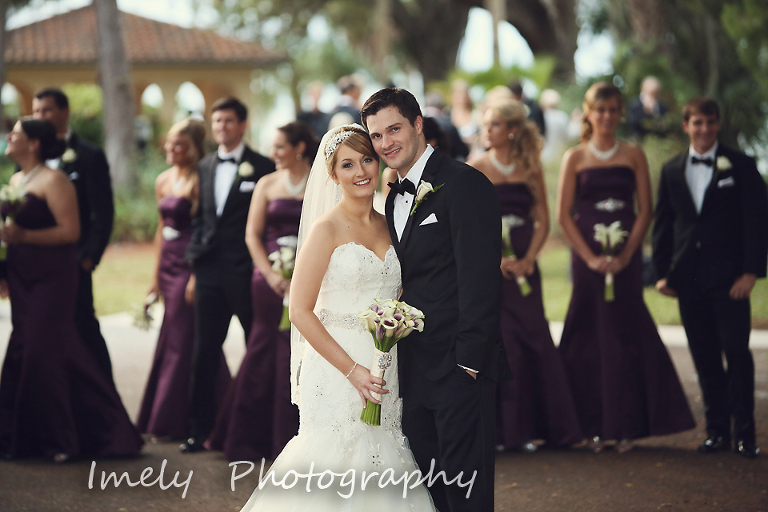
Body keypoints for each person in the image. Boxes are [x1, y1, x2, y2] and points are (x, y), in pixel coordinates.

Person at [239, 124, 435, 511]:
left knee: (382, 452)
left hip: (385, 361)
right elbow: (299, 310)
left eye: (367, 159)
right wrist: (352, 371)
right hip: (336, 366)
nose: (360, 171)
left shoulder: (392, 224)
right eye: (348, 164)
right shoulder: (325, 228)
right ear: (333, 174)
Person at [363, 88, 502, 512]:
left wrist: (469, 362)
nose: (386, 143)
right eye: (376, 135)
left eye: (394, 129)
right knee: (430, 490)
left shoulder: (465, 184)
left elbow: (481, 280)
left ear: (418, 124)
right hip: (413, 367)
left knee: (467, 492)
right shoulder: (392, 195)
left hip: (459, 366)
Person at [556, 82, 695, 453]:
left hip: (626, 259)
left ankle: (627, 425)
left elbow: (645, 210)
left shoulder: (633, 154)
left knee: (626, 334)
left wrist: (626, 255)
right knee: (587, 335)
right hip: (587, 260)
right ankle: (587, 426)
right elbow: (564, 215)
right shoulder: (575, 157)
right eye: (599, 110)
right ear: (589, 113)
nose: (606, 116)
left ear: (620, 113)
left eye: (613, 110)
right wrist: (589, 258)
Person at [0, 118, 142, 462]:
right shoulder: (16, 181)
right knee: (25, 346)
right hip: (21, 276)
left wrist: (24, 235)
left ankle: (65, 437)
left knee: (43, 350)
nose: (9, 137)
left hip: (52, 278)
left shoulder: (55, 181)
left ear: (34, 143)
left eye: (15, 134)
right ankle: (23, 438)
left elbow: (70, 232)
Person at [653, 97, 768, 459]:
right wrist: (663, 274)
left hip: (731, 280)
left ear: (718, 124)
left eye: (710, 122)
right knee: (703, 357)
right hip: (689, 280)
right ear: (686, 126)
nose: (705, 129)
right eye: (698, 122)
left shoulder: (741, 165)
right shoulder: (671, 169)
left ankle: (745, 434)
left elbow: (757, 220)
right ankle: (716, 431)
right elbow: (664, 224)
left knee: (736, 353)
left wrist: (750, 272)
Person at [468, 98, 582, 452]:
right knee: (507, 344)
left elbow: (543, 219)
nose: (487, 131)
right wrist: (495, 260)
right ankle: (506, 433)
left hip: (527, 269)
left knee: (536, 338)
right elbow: (469, 224)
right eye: (485, 125)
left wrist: (530, 257)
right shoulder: (476, 167)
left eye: (494, 124)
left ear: (513, 130)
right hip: (492, 270)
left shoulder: (530, 167)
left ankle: (543, 428)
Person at [206, 121, 316, 461]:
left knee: (298, 351)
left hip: (309, 280)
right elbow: (252, 235)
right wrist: (269, 274)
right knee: (262, 348)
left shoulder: (321, 183)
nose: (273, 153)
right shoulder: (267, 184)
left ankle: (293, 434)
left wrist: (304, 274)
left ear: (299, 148)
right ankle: (247, 437)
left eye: (280, 147)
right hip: (268, 281)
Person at [181, 97, 276, 453]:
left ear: (242, 125)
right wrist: (195, 267)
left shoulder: (263, 166)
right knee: (204, 350)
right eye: (217, 121)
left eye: (228, 121)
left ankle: (259, 428)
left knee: (256, 348)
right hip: (208, 272)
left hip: (246, 272)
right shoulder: (205, 165)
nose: (221, 127)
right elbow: (201, 218)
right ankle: (199, 430)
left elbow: (266, 224)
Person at [137, 119, 230, 441]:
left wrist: (196, 274)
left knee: (184, 336)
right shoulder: (163, 180)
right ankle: (201, 409)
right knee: (179, 335)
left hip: (191, 263)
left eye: (179, 144)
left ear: (193, 147)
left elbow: (206, 229)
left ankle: (175, 419)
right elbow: (160, 230)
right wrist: (154, 278)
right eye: (169, 143)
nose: (171, 148)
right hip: (167, 262)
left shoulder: (201, 179)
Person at [32, 88, 115, 382]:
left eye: (46, 110)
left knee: (83, 325)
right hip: (36, 264)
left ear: (64, 112)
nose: (40, 116)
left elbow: (103, 212)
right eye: (36, 111)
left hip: (74, 260)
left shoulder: (89, 155)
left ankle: (105, 394)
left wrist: (89, 256)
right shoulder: (29, 157)